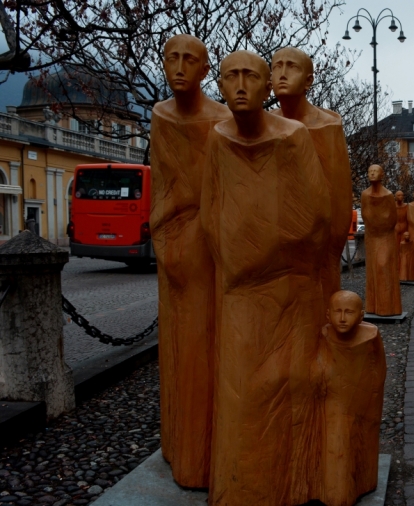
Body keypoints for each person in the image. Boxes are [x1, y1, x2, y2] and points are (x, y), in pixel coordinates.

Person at [200, 49, 331, 505]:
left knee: (285, 388)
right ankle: (240, 489)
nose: (240, 85)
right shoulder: (217, 139)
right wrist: (234, 262)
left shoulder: (294, 137)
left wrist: (268, 253)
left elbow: (315, 215)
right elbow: (210, 212)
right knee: (238, 396)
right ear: (218, 83)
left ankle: (289, 485)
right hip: (239, 288)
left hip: (288, 287)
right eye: (230, 76)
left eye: (250, 77)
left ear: (263, 85)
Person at [150, 34, 232, 488]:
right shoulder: (160, 115)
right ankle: (178, 441)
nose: (179, 66)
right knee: (178, 346)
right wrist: (165, 244)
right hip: (173, 244)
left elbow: (227, 187)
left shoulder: (221, 119)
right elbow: (161, 184)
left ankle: (203, 454)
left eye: (190, 60)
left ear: (204, 70)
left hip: (211, 242)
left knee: (205, 346)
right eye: (172, 58)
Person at [270, 46, 351, 304]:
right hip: (275, 243)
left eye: (291, 66)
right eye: (276, 67)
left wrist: (327, 255)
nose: (282, 74)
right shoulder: (264, 125)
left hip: (319, 251)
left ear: (309, 80)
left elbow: (339, 201)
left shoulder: (327, 126)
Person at [318, 290, 386, 506]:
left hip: (362, 397)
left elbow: (380, 370)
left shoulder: (371, 335)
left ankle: (363, 479)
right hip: (332, 399)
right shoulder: (324, 335)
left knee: (359, 440)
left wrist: (373, 399)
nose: (342, 318)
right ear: (328, 314)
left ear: (361, 315)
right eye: (337, 312)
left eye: (349, 312)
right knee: (336, 444)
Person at [361, 165, 402, 315]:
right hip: (371, 236)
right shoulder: (364, 194)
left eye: (375, 171)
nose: (372, 173)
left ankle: (387, 307)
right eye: (369, 171)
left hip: (385, 236)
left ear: (382, 174)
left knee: (383, 266)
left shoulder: (388, 195)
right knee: (372, 270)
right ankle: (373, 306)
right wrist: (374, 223)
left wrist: (378, 223)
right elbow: (365, 215)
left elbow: (392, 219)